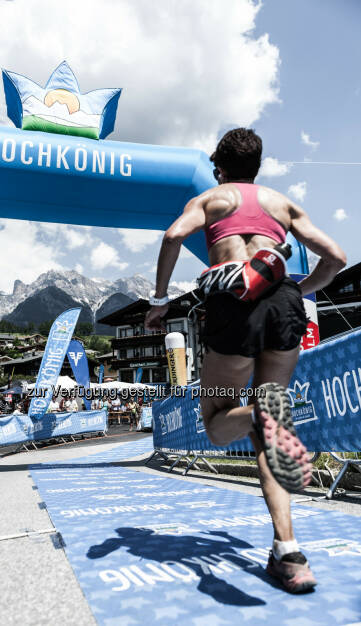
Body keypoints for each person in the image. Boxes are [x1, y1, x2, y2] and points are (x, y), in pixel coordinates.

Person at [145, 128, 346, 593]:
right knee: (268, 433)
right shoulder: (281, 203)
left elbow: (173, 235)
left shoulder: (212, 197)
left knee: (217, 421)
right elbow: (335, 256)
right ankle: (289, 553)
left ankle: (260, 411)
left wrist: (157, 301)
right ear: (257, 165)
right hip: (284, 307)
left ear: (219, 163)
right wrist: (301, 289)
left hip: (234, 308)